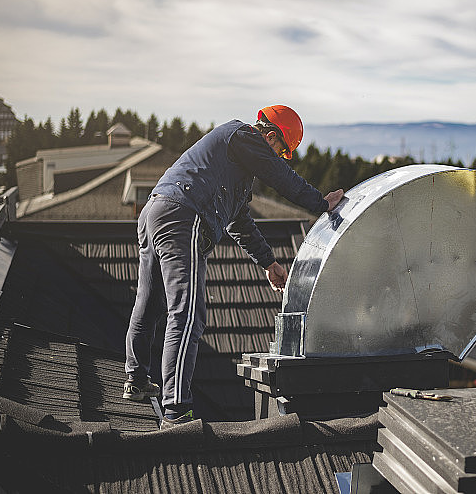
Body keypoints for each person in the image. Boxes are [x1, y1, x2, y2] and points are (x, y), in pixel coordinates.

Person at [123, 105, 344, 427]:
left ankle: (136, 380)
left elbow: (239, 221)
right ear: (270, 137)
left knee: (150, 302)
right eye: (280, 151)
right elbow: (279, 176)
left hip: (156, 212)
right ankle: (176, 411)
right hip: (185, 215)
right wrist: (321, 204)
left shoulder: (232, 169)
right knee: (186, 315)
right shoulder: (241, 135)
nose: (277, 158)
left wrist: (268, 262)